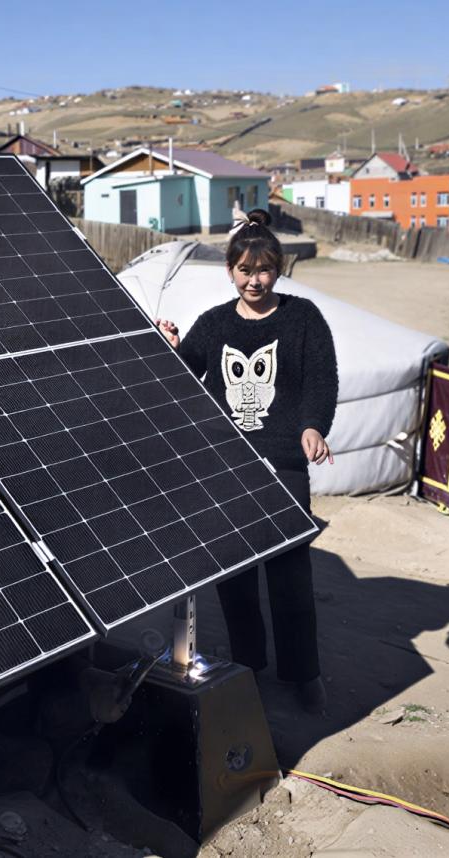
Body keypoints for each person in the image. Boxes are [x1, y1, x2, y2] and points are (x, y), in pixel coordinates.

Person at [156, 208, 337, 713]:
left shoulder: (303, 319)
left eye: (263, 270)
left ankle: (303, 673)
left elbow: (322, 379)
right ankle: (249, 667)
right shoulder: (213, 325)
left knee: (290, 575)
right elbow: (183, 376)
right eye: (244, 270)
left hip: (283, 462)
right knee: (235, 575)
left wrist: (312, 425)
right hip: (225, 461)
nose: (253, 280)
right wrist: (170, 348)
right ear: (231, 271)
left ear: (277, 269)